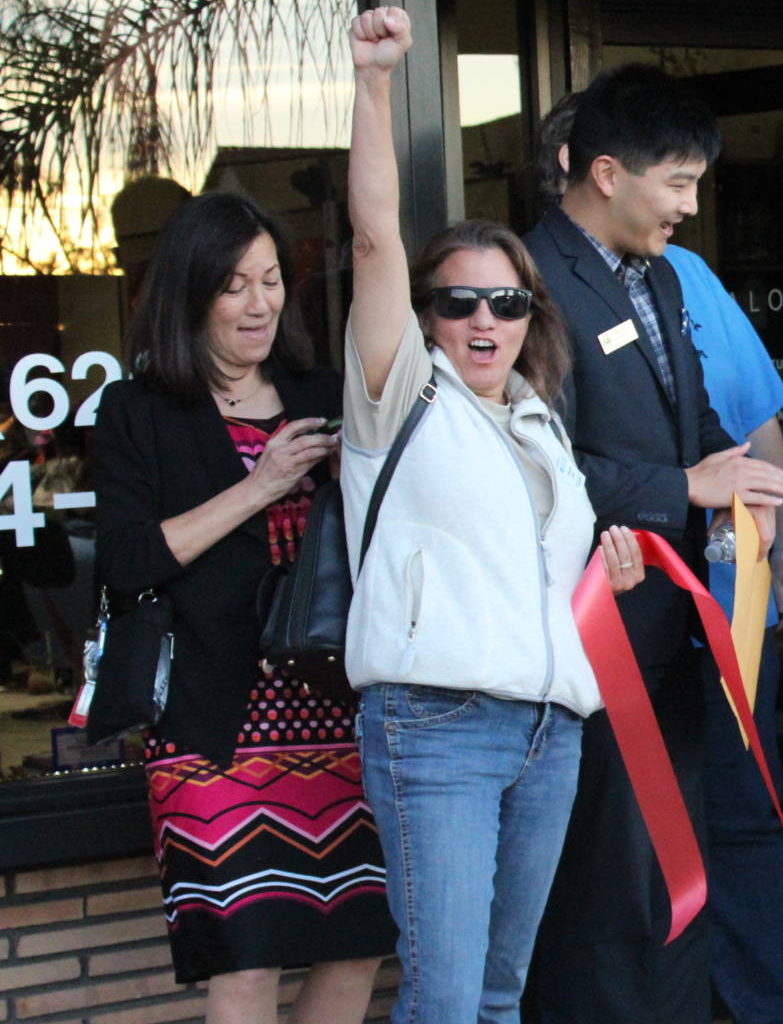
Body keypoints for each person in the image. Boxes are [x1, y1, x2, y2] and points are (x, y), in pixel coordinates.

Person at [341, 9, 645, 1020]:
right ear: (426, 313)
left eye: (506, 304)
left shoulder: (535, 423)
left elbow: (534, 580)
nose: (484, 320)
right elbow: (375, 235)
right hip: (436, 722)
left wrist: (605, 583)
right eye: (459, 301)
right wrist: (377, 84)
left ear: (531, 317)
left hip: (548, 730)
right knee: (444, 995)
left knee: (501, 992)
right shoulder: (399, 400)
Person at [534, 89, 783, 1024]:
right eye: (679, 183)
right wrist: (679, 491)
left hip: (682, 626)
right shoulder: (528, 277)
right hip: (588, 636)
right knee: (609, 885)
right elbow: (534, 464)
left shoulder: (656, 274)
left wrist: (745, 495)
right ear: (606, 174)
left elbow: (697, 428)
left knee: (679, 871)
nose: (691, 207)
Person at [94, 187, 395, 1022]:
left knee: (358, 941)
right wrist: (260, 485)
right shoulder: (139, 410)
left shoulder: (323, 393)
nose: (259, 304)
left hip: (337, 715)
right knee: (244, 958)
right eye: (236, 285)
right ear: (193, 292)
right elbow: (125, 562)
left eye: (270, 281)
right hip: (212, 728)